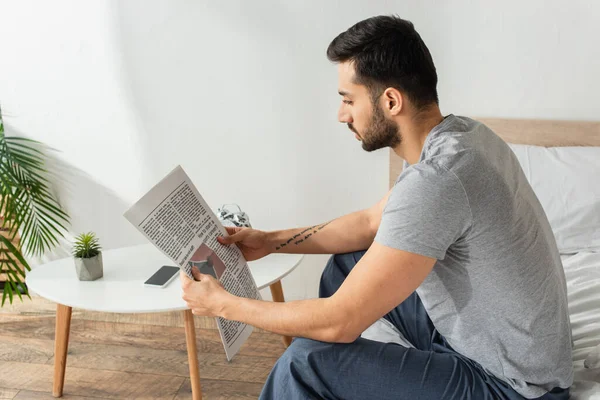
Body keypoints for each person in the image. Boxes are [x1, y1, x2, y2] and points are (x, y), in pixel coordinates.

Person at [181, 15, 573, 400]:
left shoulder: (437, 180)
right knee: (347, 262)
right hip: (488, 344)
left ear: (390, 100)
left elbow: (339, 321)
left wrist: (226, 305)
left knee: (305, 362)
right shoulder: (461, 137)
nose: (342, 114)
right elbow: (372, 222)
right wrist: (270, 240)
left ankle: (326, 380)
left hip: (513, 387)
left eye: (348, 100)